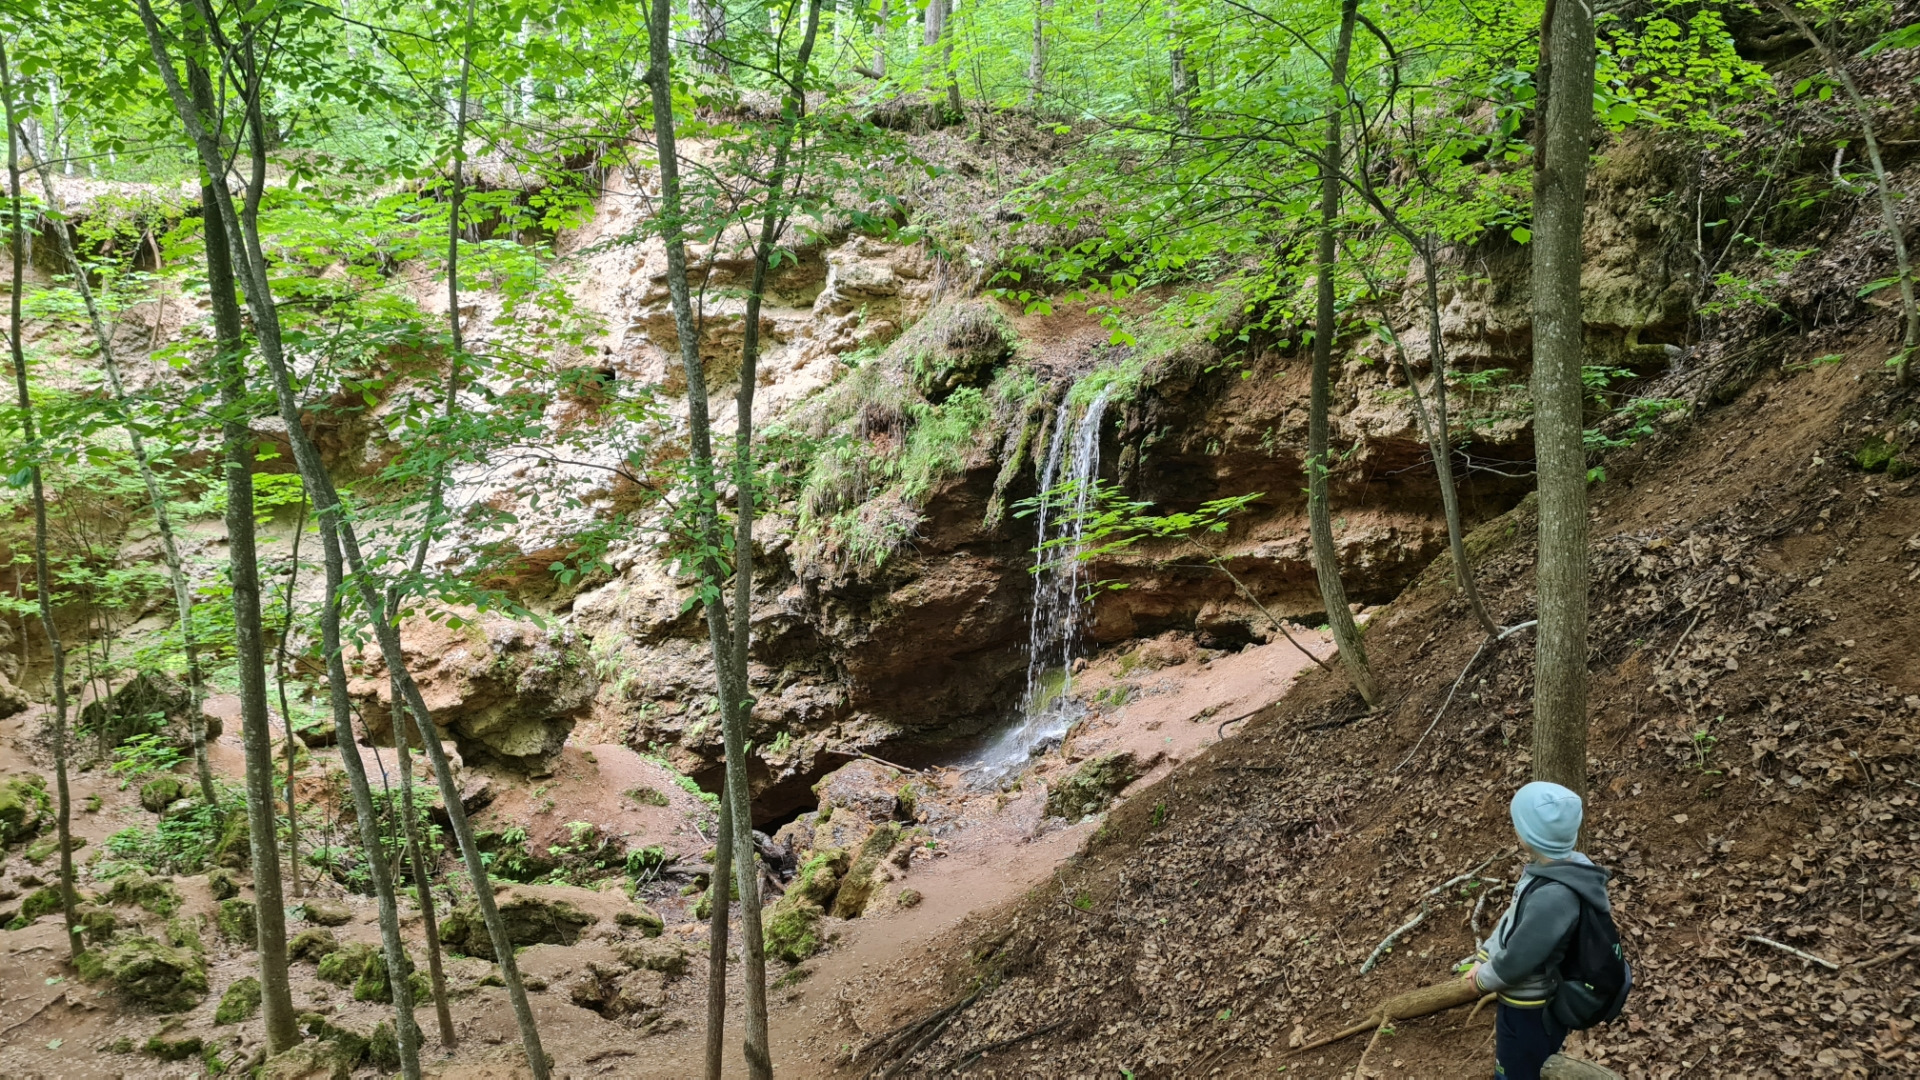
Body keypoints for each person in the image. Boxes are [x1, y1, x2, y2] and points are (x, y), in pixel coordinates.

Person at [1461, 781, 1614, 1080]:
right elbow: (1512, 918)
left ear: (1530, 836)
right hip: (1522, 997)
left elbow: (1521, 956)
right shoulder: (1550, 868)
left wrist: (1482, 980)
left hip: (1530, 1007)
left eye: (1518, 824)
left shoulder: (1553, 895)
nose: (1515, 829)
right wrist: (1484, 955)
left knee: (1519, 1071)